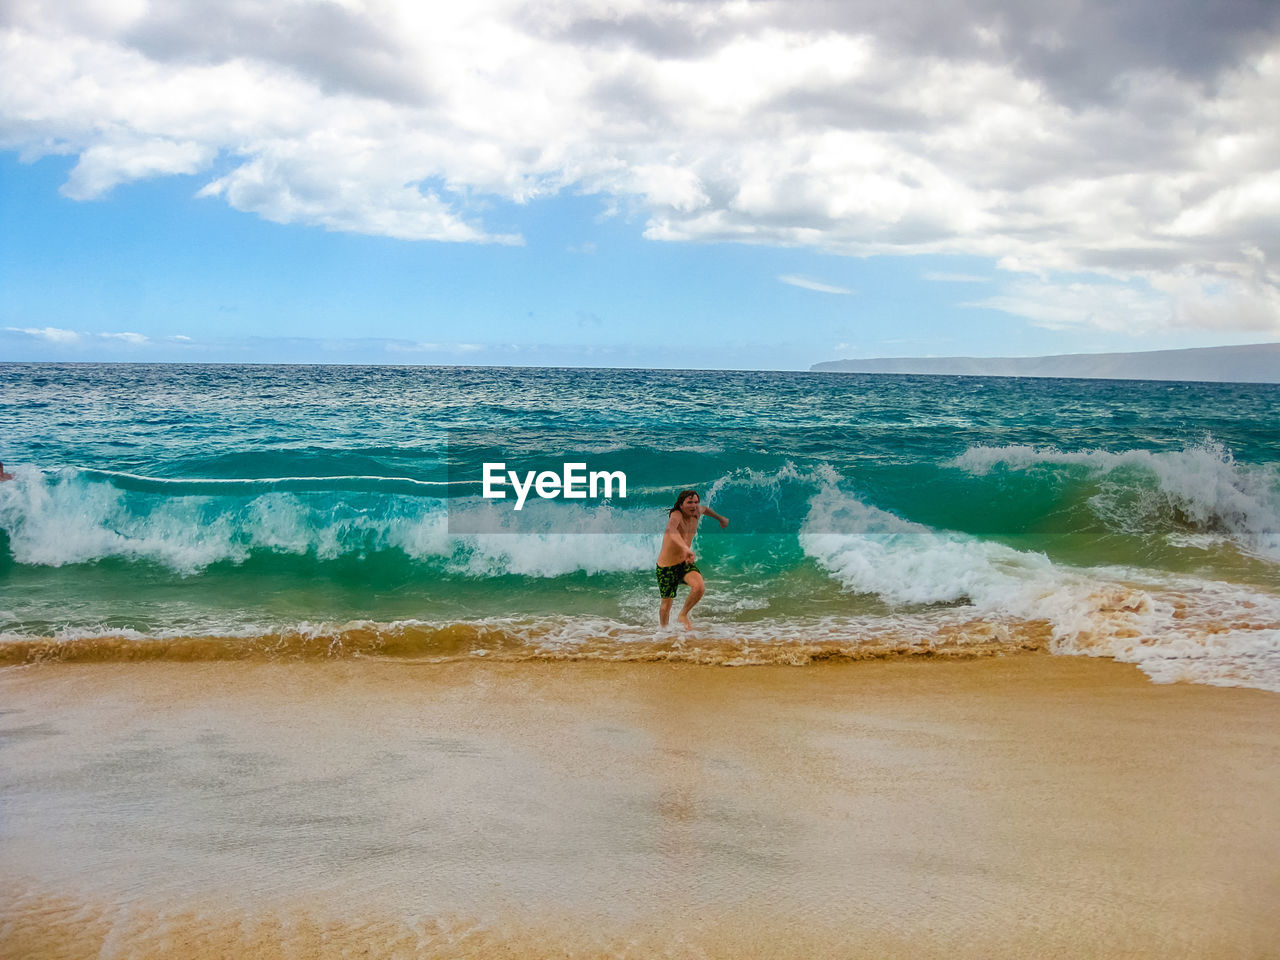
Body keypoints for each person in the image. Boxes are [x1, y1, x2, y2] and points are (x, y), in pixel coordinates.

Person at [656, 489, 728, 629]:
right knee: (666, 604)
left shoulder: (697, 511)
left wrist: (720, 519)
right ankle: (663, 631)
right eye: (689, 502)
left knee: (699, 587)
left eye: (695, 502)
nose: (693, 505)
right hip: (667, 567)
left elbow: (705, 509)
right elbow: (671, 530)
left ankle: (683, 614)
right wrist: (685, 548)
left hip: (684, 563)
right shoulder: (676, 514)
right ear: (681, 505)